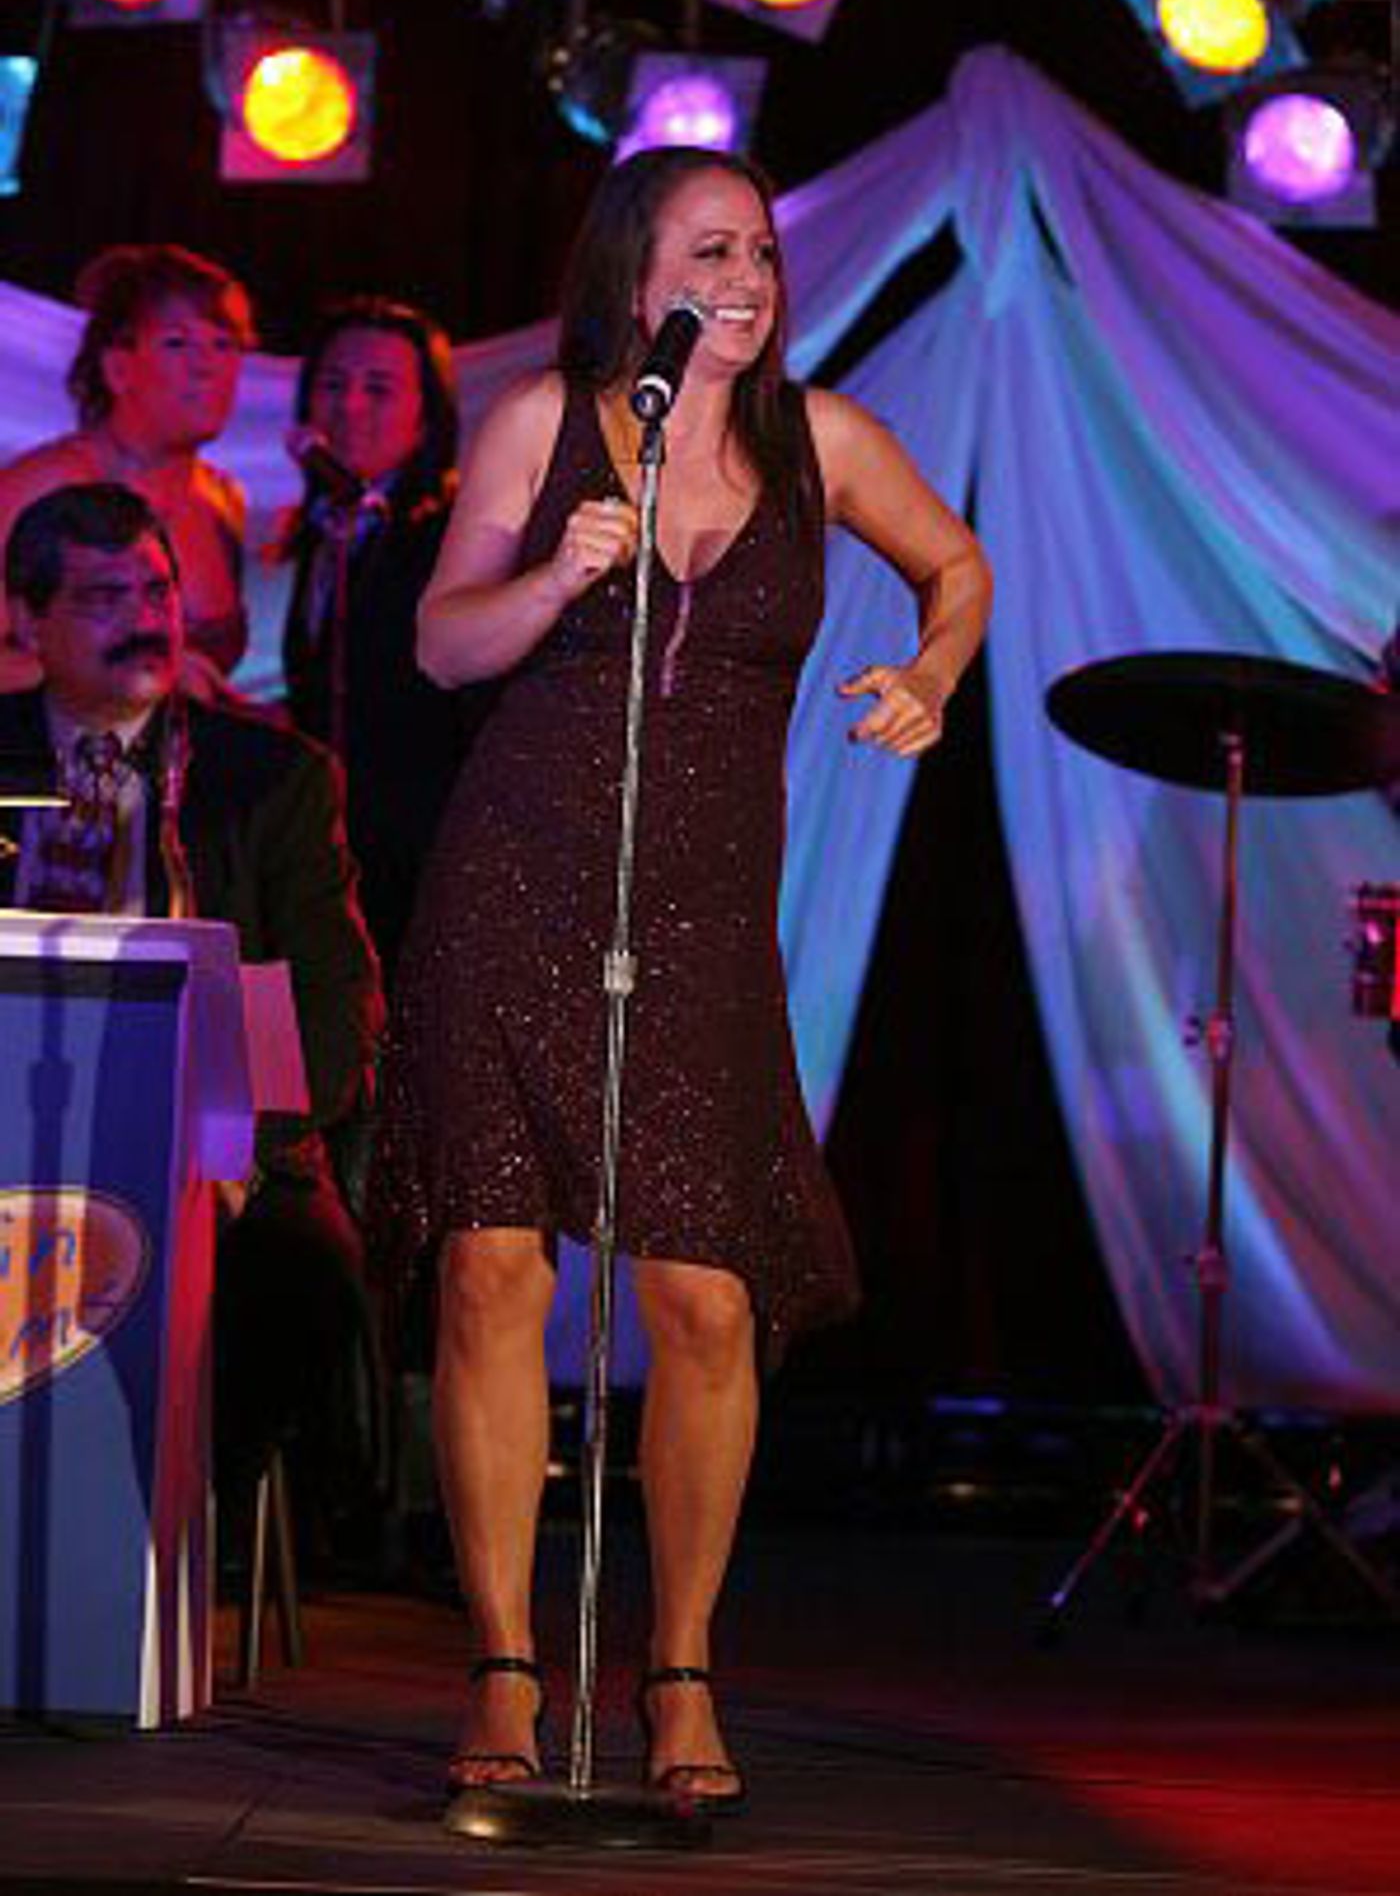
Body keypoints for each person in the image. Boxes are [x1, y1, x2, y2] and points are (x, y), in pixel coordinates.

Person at [368, 146, 993, 1806]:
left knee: (706, 1294)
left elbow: (959, 567)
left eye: (763, 252)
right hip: (518, 877)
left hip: (703, 909)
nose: (747, 278)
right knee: (493, 1267)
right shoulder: (541, 423)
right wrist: (557, 572)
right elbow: (441, 643)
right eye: (711, 250)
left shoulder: (822, 441)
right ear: (635, 277)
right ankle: (507, 1664)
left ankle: (682, 1668)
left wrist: (933, 672)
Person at [0, 483, 384, 1515]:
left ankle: (180, 1526)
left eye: (158, 591)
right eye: (103, 597)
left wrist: (240, 1144)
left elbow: (336, 1005)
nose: (144, 620)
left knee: (300, 1278)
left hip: (220, 1156)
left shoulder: (271, 777)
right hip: (13, 1149)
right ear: (26, 618)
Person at [278, 296, 479, 978]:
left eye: (380, 388)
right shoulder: (325, 531)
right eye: (332, 384)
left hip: (420, 870)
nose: (350, 406)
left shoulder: (454, 537)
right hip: (329, 859)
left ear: (428, 415)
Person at [0, 243, 254, 698]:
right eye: (177, 343)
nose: (208, 366)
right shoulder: (45, 486)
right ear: (118, 367)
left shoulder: (223, 495)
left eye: (224, 344)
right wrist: (133, 678)